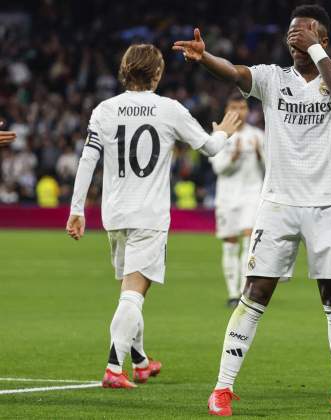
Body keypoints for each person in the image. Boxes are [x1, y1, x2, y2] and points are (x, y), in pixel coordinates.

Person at [173, 4, 331, 416]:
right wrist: (205, 59)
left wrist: (316, 53)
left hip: (327, 205)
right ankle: (222, 388)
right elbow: (238, 73)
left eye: (304, 33)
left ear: (323, 39)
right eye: (291, 34)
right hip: (277, 204)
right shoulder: (274, 79)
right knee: (254, 293)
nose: (294, 39)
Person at [66, 43, 241, 389]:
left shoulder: (104, 109)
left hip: (114, 214)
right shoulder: (169, 110)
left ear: (125, 70)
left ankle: (142, 362)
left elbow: (88, 159)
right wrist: (224, 130)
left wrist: (76, 209)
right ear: (158, 74)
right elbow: (209, 148)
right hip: (148, 215)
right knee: (134, 293)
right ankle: (114, 369)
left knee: (129, 291)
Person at [210, 94, 265, 308]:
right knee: (230, 245)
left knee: (249, 242)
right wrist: (232, 159)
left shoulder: (258, 136)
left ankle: (245, 292)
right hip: (226, 198)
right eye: (234, 107)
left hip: (252, 196)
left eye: (242, 107)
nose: (238, 111)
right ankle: (232, 293)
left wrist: (260, 155)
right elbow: (217, 168)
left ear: (247, 110)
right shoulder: (220, 135)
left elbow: (269, 167)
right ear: (226, 109)